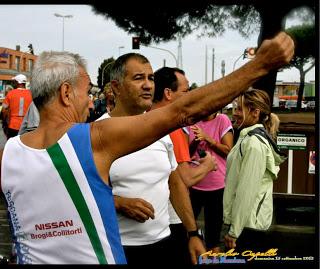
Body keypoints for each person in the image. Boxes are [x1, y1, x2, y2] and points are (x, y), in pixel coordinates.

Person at [0, 32, 294, 264]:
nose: (87, 98)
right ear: (64, 93)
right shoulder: (93, 138)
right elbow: (183, 110)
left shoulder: (6, 156)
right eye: (84, 89)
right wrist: (259, 65)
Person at [96, 55, 214, 265]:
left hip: (162, 244)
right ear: (116, 86)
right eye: (138, 78)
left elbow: (175, 181)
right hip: (116, 248)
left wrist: (192, 232)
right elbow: (79, 190)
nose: (148, 85)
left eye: (151, 78)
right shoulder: (95, 133)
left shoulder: (162, 131)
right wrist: (118, 203)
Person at [151, 66, 221, 265]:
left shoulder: (145, 121)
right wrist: (208, 165)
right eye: (186, 91)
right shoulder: (173, 126)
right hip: (172, 218)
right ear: (168, 93)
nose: (189, 96)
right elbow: (184, 178)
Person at [223, 89, 286, 253]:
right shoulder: (246, 137)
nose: (234, 113)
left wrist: (234, 231)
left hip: (248, 227)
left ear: (255, 112)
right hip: (245, 224)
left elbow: (247, 190)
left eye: (238, 109)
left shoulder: (254, 143)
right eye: (234, 108)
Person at [186, 110, 234, 253]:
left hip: (216, 186)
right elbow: (187, 153)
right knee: (188, 232)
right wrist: (196, 140)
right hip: (194, 183)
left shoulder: (223, 120)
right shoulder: (192, 121)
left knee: (213, 239)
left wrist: (207, 138)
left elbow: (228, 151)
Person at [2, 74, 32, 139]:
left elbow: (4, 109)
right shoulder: (31, 94)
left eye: (14, 82)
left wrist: (4, 121)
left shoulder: (10, 93)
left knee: (12, 146)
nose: (13, 83)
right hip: (27, 125)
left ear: (18, 82)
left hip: (13, 125)